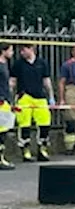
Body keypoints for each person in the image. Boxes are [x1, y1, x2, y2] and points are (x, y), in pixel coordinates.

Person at [12, 42, 54, 162]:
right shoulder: (18, 64)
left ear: (31, 49)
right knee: (24, 124)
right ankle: (26, 150)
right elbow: (13, 81)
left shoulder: (42, 63)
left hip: (39, 97)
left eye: (23, 50)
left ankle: (42, 148)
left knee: (44, 123)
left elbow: (46, 80)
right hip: (24, 96)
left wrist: (50, 96)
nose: (21, 53)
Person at [0, 42, 14, 171]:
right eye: (10, 50)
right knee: (1, 131)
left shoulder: (5, 64)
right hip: (1, 101)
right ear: (3, 51)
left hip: (5, 101)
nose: (12, 53)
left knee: (4, 131)